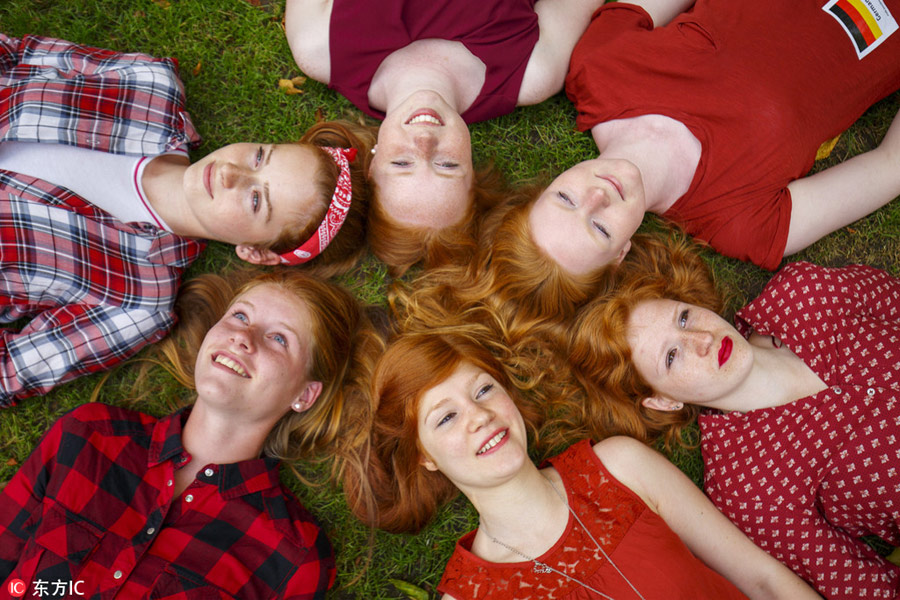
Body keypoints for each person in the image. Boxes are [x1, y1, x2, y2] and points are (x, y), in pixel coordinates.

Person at [0, 32, 373, 405]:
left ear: (256, 254)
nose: (231, 173)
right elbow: (17, 53)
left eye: (256, 199)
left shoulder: (139, 302)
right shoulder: (148, 85)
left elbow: (11, 372)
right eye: (260, 157)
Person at [342, 331, 818, 599]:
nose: (480, 417)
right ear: (425, 456)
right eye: (446, 417)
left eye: (484, 390)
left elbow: (764, 580)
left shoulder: (618, 466)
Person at [0, 267, 379, 598]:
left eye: (279, 338)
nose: (243, 337)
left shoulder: (292, 557)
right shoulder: (90, 436)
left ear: (304, 394)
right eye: (240, 316)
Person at [567, 259, 900, 598]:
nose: (702, 340)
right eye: (671, 356)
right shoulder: (748, 486)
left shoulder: (804, 294)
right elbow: (858, 580)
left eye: (683, 317)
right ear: (663, 401)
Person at [516, 0, 900, 279]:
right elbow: (889, 167)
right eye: (600, 228)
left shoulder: (598, 70)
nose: (597, 197)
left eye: (565, 199)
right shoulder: (741, 222)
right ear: (620, 253)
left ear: (548, 183)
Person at [284, 0, 602, 275]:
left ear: (373, 162)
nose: (424, 141)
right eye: (447, 165)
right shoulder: (532, 71)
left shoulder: (319, 46)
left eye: (402, 163)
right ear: (472, 170)